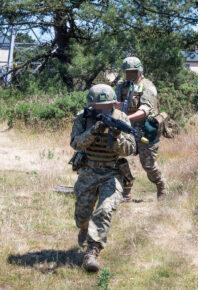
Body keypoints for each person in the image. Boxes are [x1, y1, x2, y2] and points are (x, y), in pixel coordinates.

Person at [70, 84, 136, 272]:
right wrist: (94, 130)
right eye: (99, 107)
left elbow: (130, 149)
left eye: (108, 106)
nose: (104, 110)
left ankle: (92, 252)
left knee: (105, 210)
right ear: (91, 106)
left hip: (112, 172)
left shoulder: (121, 118)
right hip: (88, 171)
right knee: (82, 217)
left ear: (114, 104)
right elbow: (76, 144)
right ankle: (84, 229)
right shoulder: (83, 118)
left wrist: (117, 138)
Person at [115, 56, 167, 201]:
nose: (129, 74)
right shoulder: (122, 86)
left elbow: (144, 111)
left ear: (140, 71)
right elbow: (116, 103)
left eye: (133, 71)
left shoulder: (148, 86)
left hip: (146, 129)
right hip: (127, 128)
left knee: (148, 164)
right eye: (127, 71)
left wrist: (125, 118)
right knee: (119, 157)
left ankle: (161, 186)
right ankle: (126, 190)